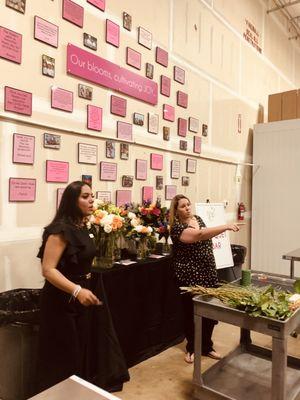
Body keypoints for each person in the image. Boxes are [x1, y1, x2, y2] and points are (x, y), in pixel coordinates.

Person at [37, 181, 101, 391]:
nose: (91, 199)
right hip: (61, 300)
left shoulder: (82, 226)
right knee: (64, 355)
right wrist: (77, 290)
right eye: (84, 196)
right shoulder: (60, 230)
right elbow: (48, 270)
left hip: (80, 296)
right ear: (71, 201)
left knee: (79, 351)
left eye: (91, 195)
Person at [170, 194, 240, 363]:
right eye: (183, 206)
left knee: (210, 312)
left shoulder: (199, 219)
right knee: (191, 313)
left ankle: (207, 346)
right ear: (176, 211)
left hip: (208, 272)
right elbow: (199, 235)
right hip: (189, 276)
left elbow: (204, 234)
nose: (187, 208)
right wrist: (226, 226)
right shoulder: (177, 228)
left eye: (188, 204)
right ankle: (192, 348)